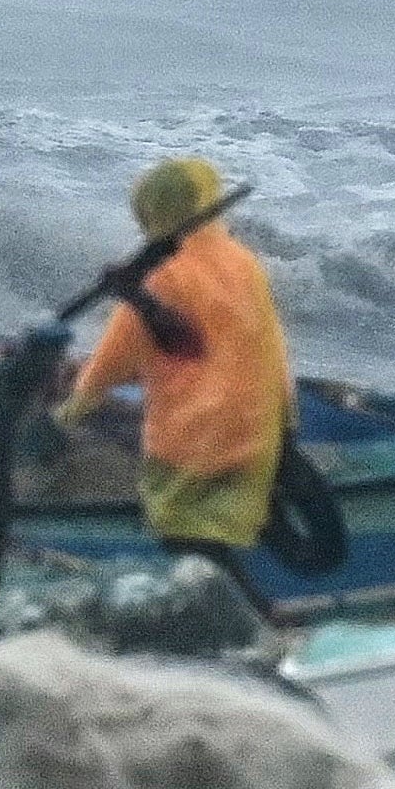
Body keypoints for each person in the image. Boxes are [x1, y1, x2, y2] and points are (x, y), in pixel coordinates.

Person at [61, 156, 295, 563]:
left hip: (197, 434)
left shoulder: (164, 277)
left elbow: (156, 348)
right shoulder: (241, 261)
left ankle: (232, 617)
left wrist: (74, 409)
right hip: (257, 421)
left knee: (194, 546)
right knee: (220, 538)